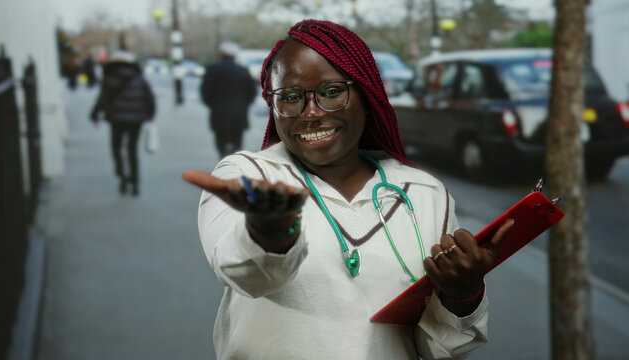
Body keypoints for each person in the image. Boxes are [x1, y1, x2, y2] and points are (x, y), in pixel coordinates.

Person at [183, 20, 513, 359]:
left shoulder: (423, 194)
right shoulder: (248, 177)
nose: (311, 113)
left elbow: (438, 350)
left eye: (331, 92)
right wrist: (269, 233)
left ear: (366, 95)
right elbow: (246, 277)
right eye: (291, 97)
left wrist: (462, 295)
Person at [90, 50, 155, 196]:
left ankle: (122, 175)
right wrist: (149, 116)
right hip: (136, 120)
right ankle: (135, 182)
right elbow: (149, 98)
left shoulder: (109, 78)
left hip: (116, 119)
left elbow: (102, 99)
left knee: (116, 147)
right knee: (132, 150)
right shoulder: (139, 78)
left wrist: (94, 115)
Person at [200, 41, 256, 158]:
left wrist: (213, 105)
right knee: (237, 144)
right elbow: (252, 92)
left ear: (221, 54)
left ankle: (223, 164)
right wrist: (244, 105)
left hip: (219, 114)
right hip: (239, 114)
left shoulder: (212, 70)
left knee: (221, 145)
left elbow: (205, 93)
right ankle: (234, 167)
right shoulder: (243, 70)